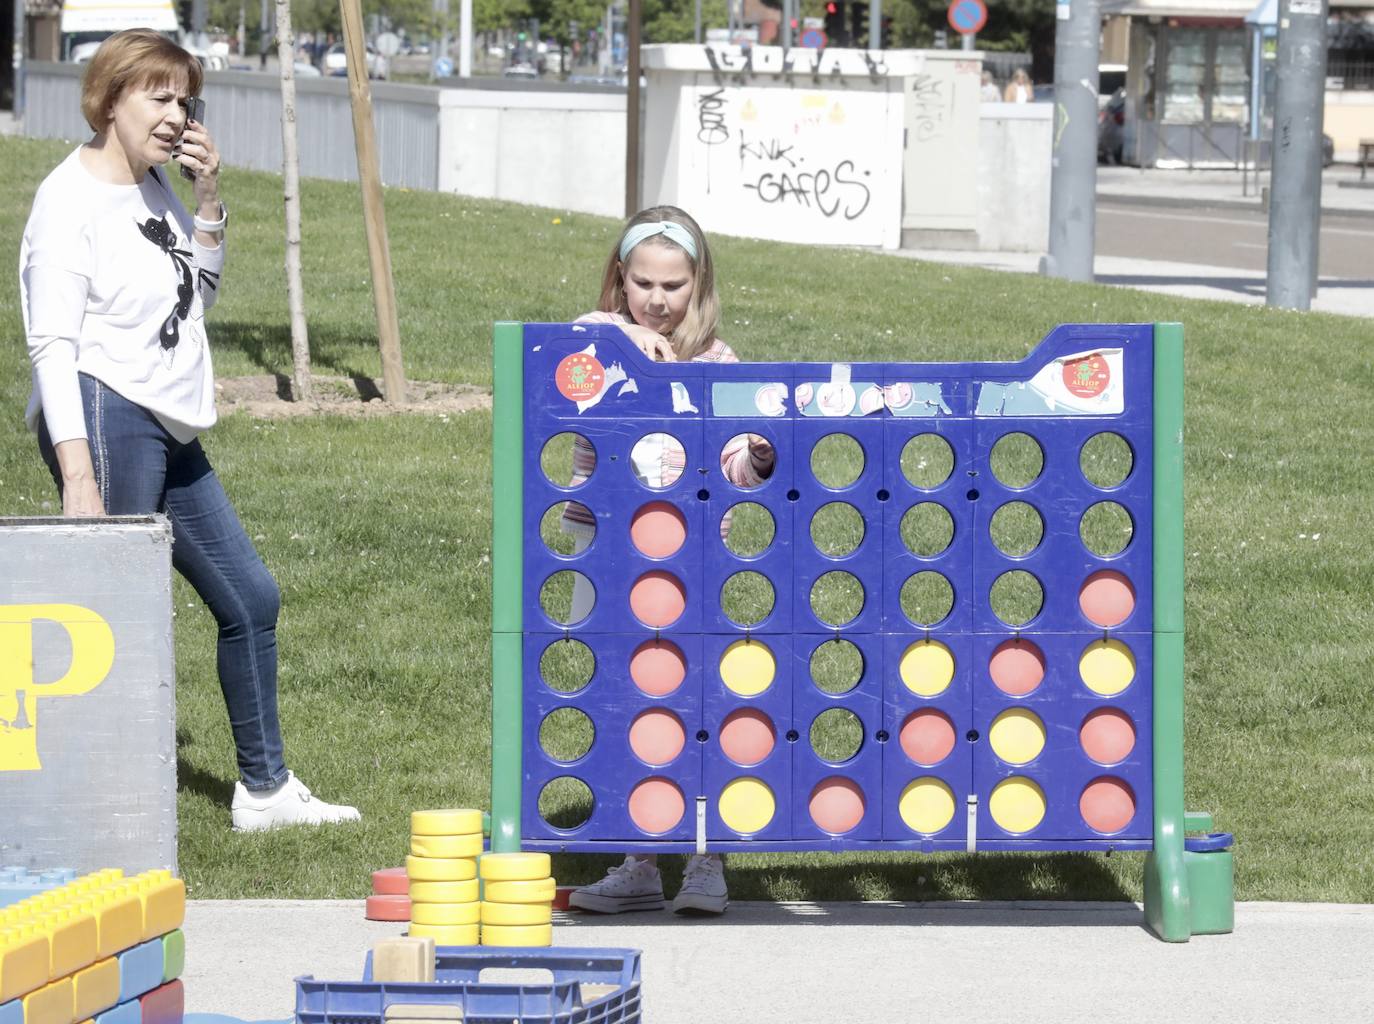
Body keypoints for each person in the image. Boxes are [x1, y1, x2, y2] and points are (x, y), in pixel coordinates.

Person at [18, 29, 360, 833]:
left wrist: (207, 206)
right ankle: (90, 808)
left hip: (165, 421)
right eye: (157, 96)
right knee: (116, 613)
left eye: (184, 99)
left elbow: (192, 303)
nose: (175, 115)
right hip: (105, 414)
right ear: (109, 99)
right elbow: (51, 348)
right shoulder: (67, 204)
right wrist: (78, 476)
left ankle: (263, 792)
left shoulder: (154, 188)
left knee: (250, 597)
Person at [563, 207, 775, 916]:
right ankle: (640, 860)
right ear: (620, 279)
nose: (657, 300)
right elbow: (571, 345)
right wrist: (626, 342)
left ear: (699, 283)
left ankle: (707, 859)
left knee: (695, 703)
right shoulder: (595, 343)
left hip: (689, 560)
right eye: (642, 283)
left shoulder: (717, 361)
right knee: (627, 705)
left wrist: (758, 459)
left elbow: (734, 464)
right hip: (607, 552)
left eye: (674, 286)